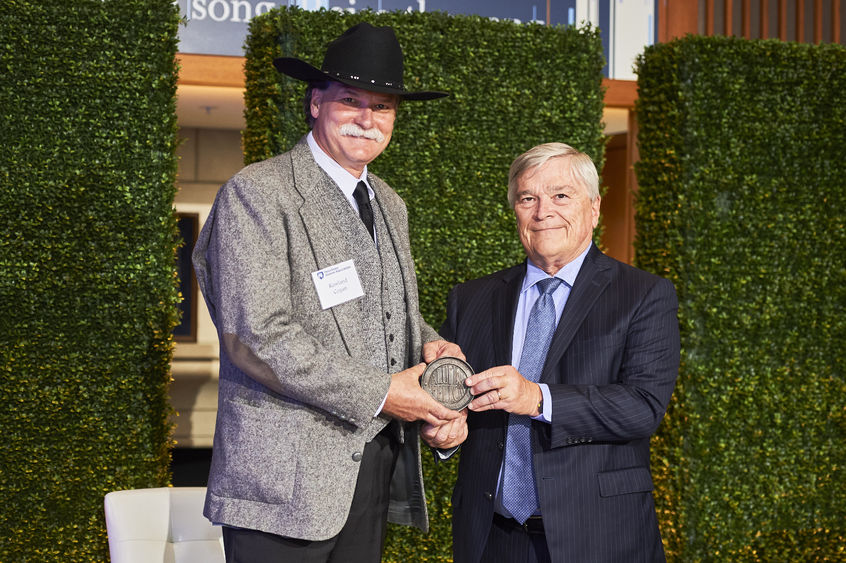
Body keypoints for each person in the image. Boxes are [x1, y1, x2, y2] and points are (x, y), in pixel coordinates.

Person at [192, 22, 466, 563]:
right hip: (281, 484)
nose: (368, 119)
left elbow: (385, 309)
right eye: (351, 101)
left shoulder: (388, 201)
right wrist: (386, 394)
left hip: (370, 467)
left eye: (383, 107)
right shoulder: (259, 193)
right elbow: (257, 335)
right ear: (316, 103)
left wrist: (432, 347)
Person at [439, 143, 680, 563]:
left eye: (561, 196)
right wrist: (440, 431)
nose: (542, 211)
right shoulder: (471, 299)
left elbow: (643, 407)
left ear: (595, 208)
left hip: (599, 536)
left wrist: (537, 399)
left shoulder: (642, 295)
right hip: (490, 539)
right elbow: (448, 399)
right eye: (527, 198)